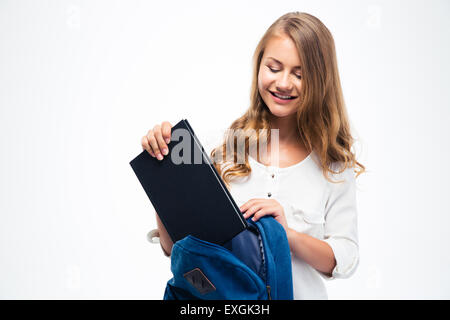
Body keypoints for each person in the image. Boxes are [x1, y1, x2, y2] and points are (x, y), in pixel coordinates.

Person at [142, 12, 365, 300]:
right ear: (259, 66)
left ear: (321, 80)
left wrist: (285, 237)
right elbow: (177, 249)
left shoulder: (334, 165)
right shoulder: (220, 146)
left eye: (300, 74)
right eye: (274, 67)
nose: (284, 83)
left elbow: (345, 259)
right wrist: (165, 177)